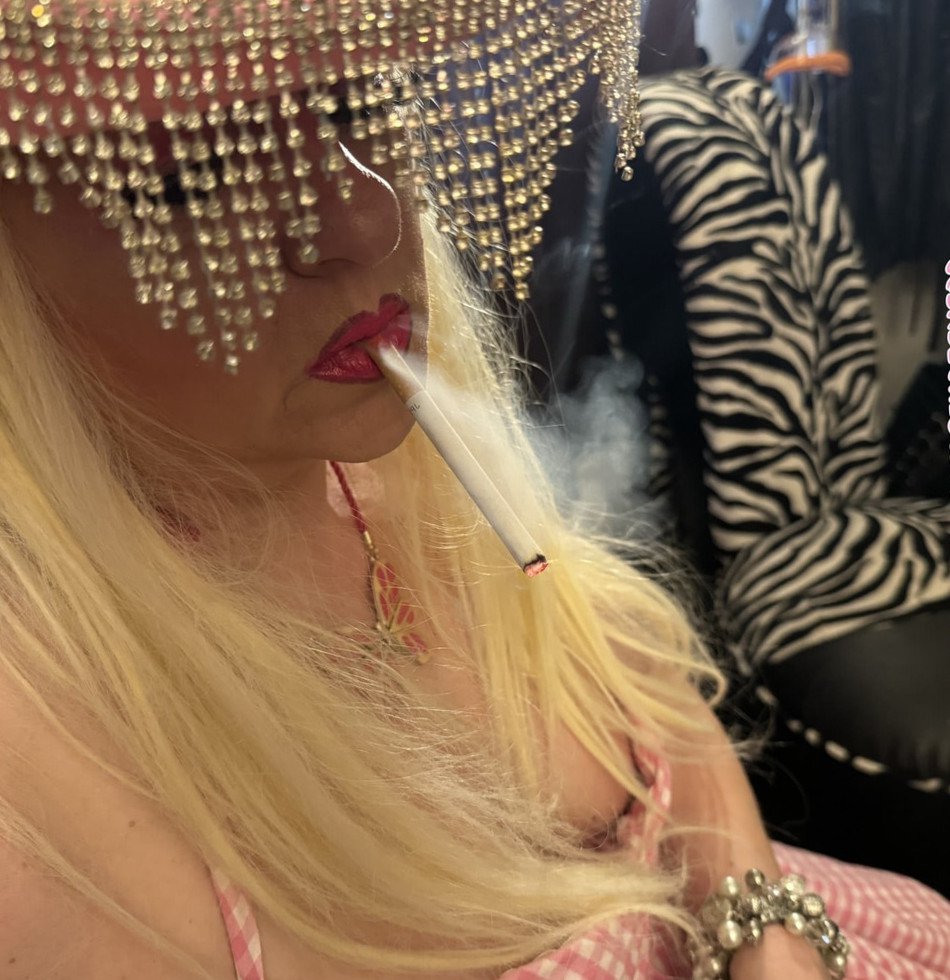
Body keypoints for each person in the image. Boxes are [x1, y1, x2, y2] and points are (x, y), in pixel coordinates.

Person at [0, 3, 947, 979]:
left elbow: (648, 692)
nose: (370, 219)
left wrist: (761, 922)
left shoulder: (392, 470)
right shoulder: (35, 768)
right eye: (194, 175)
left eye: (355, 107)